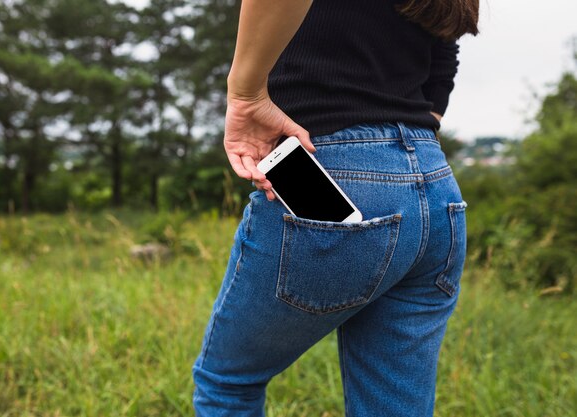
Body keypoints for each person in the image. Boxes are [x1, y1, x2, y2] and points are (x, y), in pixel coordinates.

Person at [192, 0, 479, 416]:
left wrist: (246, 93)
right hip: (436, 189)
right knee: (393, 404)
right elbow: (445, 44)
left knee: (227, 384)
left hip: (330, 162)